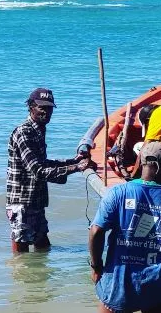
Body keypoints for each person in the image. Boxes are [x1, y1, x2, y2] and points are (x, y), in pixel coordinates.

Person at [89, 142, 161, 313]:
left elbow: (96, 231)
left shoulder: (117, 193)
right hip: (158, 284)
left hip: (118, 283)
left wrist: (96, 267)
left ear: (141, 162)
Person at [7, 87, 95, 253]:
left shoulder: (38, 130)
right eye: (42, 108)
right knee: (21, 257)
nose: (46, 112)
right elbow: (38, 170)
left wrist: (72, 161)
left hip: (36, 201)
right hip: (22, 203)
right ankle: (21, 279)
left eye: (49, 108)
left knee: (43, 248)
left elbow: (43, 162)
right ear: (31, 107)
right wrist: (76, 167)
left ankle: (42, 279)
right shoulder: (24, 132)